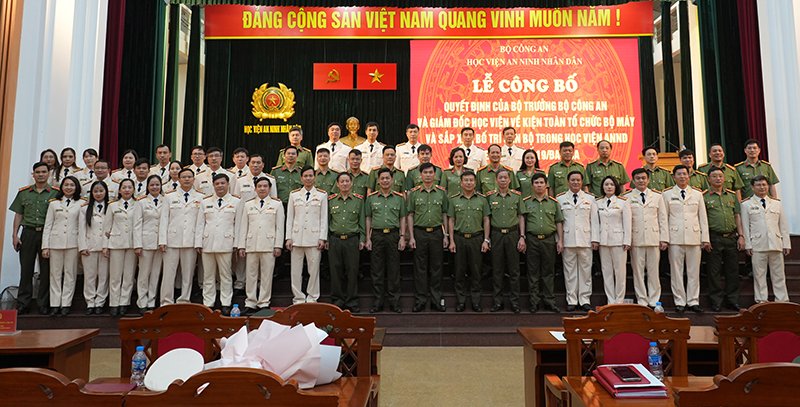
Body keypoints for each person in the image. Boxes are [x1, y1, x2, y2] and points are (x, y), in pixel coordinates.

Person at [10, 161, 59, 314]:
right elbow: (19, 214)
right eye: (37, 172)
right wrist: (15, 235)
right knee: (26, 269)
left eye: (44, 172)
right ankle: (23, 303)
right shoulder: (24, 192)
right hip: (28, 233)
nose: (41, 175)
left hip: (47, 234)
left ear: (49, 174)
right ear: (33, 174)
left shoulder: (56, 193)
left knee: (46, 270)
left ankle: (43, 303)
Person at [663, 165, 710, 313]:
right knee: (676, 272)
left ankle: (693, 301)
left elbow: (703, 217)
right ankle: (680, 301)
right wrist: (665, 238)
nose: (682, 176)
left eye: (685, 174)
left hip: (694, 237)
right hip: (675, 237)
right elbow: (664, 218)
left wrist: (705, 238)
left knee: (693, 271)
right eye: (679, 174)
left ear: (689, 176)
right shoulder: (667, 194)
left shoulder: (697, 194)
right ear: (674, 177)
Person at [236, 177, 284, 314]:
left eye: (265, 186)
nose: (262, 188)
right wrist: (241, 246)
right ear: (255, 188)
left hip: (269, 244)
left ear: (269, 188)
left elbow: (279, 227)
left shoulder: (276, 204)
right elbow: (243, 226)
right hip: (251, 244)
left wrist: (278, 246)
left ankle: (264, 302)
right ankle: (250, 301)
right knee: (250, 275)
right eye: (259, 186)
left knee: (266, 275)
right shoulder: (248, 204)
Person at [740, 176, 791, 303]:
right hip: (758, 244)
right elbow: (745, 226)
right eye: (758, 185)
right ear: (752, 187)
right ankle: (761, 301)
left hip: (776, 243)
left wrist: (786, 243)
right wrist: (748, 245)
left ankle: (782, 300)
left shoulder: (777, 203)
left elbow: (783, 225)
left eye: (764, 184)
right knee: (759, 275)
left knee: (779, 275)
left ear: (768, 186)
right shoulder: (746, 204)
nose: (762, 187)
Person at [196, 173, 241, 315]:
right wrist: (198, 243)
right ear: (213, 185)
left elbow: (238, 225)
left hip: (226, 243)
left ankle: (226, 303)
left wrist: (237, 244)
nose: (220, 186)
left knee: (225, 275)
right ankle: (208, 303)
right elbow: (200, 224)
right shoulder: (205, 202)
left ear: (228, 184)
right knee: (208, 276)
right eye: (217, 184)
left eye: (223, 183)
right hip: (208, 243)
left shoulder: (236, 202)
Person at [159, 168, 205, 305]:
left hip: (190, 240)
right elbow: (164, 219)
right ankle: (166, 301)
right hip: (171, 240)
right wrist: (162, 240)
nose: (186, 179)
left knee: (188, 274)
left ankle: (184, 300)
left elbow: (201, 222)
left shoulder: (201, 197)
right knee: (168, 273)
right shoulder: (169, 196)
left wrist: (198, 242)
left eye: (189, 177)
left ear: (194, 179)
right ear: (178, 179)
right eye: (183, 177)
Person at [407, 163, 449, 312]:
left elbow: (445, 214)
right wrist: (411, 237)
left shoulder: (441, 193)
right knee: (420, 268)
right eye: (425, 172)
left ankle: (436, 300)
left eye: (431, 172)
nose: (428, 175)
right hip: (419, 233)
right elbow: (410, 215)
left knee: (437, 268)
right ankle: (420, 300)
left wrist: (446, 235)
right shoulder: (414, 193)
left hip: (437, 233)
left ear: (435, 175)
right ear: (420, 175)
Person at [624, 168, 669, 307]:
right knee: (638, 273)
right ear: (633, 180)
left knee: (653, 272)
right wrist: (627, 240)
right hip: (636, 239)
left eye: (643, 178)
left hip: (653, 238)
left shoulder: (657, 196)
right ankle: (642, 300)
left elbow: (662, 218)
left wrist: (664, 238)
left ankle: (654, 300)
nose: (641, 181)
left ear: (648, 180)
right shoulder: (627, 197)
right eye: (638, 178)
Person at [365, 168, 407, 313]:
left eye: (387, 178)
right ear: (378, 181)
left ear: (392, 180)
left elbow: (402, 218)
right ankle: (378, 302)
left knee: (394, 270)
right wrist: (368, 238)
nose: (385, 181)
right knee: (377, 270)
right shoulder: (371, 198)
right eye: (382, 178)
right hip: (377, 236)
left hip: (393, 235)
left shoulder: (399, 198)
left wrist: (402, 237)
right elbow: (368, 218)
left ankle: (394, 302)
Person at [448, 171, 490, 312]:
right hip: (459, 238)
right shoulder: (454, 200)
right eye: (466, 180)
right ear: (461, 183)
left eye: (471, 180)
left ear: (475, 182)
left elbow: (486, 220)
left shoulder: (482, 200)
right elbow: (451, 220)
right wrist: (451, 240)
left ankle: (475, 301)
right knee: (459, 271)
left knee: (476, 272)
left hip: (476, 239)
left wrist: (486, 240)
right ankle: (461, 301)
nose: (468, 183)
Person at [702, 167, 744, 312]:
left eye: (720, 176)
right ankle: (716, 301)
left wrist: (741, 236)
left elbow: (737, 216)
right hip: (714, 237)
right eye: (714, 176)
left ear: (724, 178)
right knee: (714, 271)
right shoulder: (704, 196)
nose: (718, 179)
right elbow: (703, 219)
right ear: (709, 179)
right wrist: (705, 238)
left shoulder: (731, 195)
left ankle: (732, 300)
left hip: (731, 237)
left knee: (732, 270)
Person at [285, 166, 328, 304]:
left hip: (314, 238)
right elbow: (290, 218)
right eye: (305, 176)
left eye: (310, 176)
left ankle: (312, 297)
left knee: (313, 270)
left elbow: (324, 218)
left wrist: (322, 237)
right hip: (296, 237)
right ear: (301, 178)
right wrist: (288, 237)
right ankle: (298, 297)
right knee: (295, 271)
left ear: (315, 177)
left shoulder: (322, 195)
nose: (308, 178)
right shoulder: (294, 195)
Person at [486, 169, 526, 313]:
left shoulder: (516, 196)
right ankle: (498, 302)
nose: (503, 180)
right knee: (497, 270)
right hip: (496, 235)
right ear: (496, 180)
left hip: (512, 234)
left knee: (514, 270)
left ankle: (515, 303)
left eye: (505, 178)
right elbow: (487, 218)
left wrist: (522, 236)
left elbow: (521, 216)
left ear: (510, 180)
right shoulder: (490, 197)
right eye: (500, 178)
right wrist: (487, 238)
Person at [523, 172, 564, 313]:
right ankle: (534, 302)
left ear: (546, 185)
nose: (539, 185)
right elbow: (522, 221)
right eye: (536, 183)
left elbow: (558, 222)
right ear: (532, 185)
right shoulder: (526, 202)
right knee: (533, 272)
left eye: (541, 182)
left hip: (549, 240)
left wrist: (560, 240)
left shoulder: (553, 203)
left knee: (548, 272)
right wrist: (523, 237)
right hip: (532, 240)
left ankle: (549, 301)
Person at [41, 176, 82, 316]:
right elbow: (48, 225)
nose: (69, 187)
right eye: (66, 185)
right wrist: (45, 246)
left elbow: (82, 226)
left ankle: (66, 304)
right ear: (61, 187)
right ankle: (54, 304)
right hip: (55, 242)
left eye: (72, 185)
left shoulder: (81, 203)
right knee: (55, 274)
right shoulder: (54, 204)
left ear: (76, 187)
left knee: (70, 274)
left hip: (73, 243)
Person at [557, 171, 596, 311]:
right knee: (569, 272)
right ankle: (572, 300)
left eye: (578, 180)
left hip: (586, 240)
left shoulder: (590, 198)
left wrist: (595, 239)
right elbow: (559, 222)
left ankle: (584, 299)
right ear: (568, 182)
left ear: (582, 182)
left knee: (586, 271)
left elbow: (594, 221)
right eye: (573, 180)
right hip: (568, 240)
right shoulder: (560, 199)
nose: (575, 182)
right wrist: (559, 240)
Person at [327, 172, 366, 312]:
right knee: (335, 271)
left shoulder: (358, 200)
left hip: (352, 240)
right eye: (342, 181)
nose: (344, 184)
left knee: (352, 271)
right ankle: (337, 300)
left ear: (351, 183)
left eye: (347, 181)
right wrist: (327, 239)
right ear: (337, 184)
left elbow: (362, 220)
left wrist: (363, 239)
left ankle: (352, 301)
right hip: (335, 240)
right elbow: (327, 221)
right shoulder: (331, 200)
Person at [591, 176, 631, 305]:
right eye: (606, 184)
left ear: (616, 187)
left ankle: (619, 300)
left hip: (619, 241)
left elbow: (627, 223)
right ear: (602, 187)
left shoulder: (623, 202)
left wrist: (627, 240)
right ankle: (610, 300)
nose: (609, 187)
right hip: (603, 241)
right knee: (606, 272)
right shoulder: (597, 202)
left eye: (612, 184)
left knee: (620, 272)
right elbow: (595, 223)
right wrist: (595, 240)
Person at [103, 178, 139, 316]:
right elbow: (106, 227)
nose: (127, 190)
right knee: (115, 275)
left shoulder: (138, 204)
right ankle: (114, 303)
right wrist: (105, 246)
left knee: (129, 275)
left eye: (130, 187)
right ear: (119, 190)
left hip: (131, 243)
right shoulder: (112, 205)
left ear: (134, 190)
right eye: (124, 187)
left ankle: (124, 302)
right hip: (116, 243)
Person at [133, 175, 164, 312]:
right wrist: (137, 245)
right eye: (152, 185)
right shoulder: (141, 202)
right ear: (147, 187)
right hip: (145, 242)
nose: (155, 187)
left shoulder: (166, 200)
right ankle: (142, 301)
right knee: (144, 274)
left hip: (160, 243)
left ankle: (151, 300)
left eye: (157, 185)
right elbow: (137, 225)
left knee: (155, 273)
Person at [79, 181, 109, 314]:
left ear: (106, 192)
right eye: (95, 191)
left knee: (103, 276)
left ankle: (100, 302)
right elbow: (81, 229)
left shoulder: (111, 207)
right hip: (89, 246)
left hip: (105, 247)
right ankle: (90, 302)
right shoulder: (84, 208)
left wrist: (108, 246)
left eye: (101, 191)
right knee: (89, 276)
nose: (98, 194)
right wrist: (82, 246)